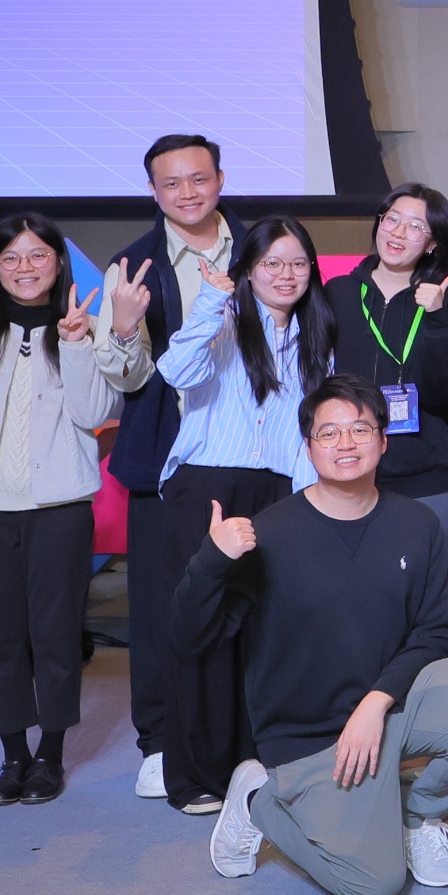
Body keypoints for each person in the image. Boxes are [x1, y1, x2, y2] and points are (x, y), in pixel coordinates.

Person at [192, 376, 448, 895]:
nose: (345, 443)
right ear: (308, 447)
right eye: (329, 433)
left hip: (386, 708)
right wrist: (211, 561)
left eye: (360, 430)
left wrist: (376, 702)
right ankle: (257, 800)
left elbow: (434, 632)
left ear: (383, 441)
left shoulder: (416, 524)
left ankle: (416, 818)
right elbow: (193, 637)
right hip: (311, 734)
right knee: (373, 885)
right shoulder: (270, 533)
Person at [0, 214, 148, 805]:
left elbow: (95, 413)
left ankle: (50, 753)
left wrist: (75, 345)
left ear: (58, 262)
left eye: (38, 255)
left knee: (55, 634)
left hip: (60, 507)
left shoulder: (85, 328)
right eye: (11, 257)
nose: (25, 267)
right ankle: (13, 755)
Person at [146, 215, 326, 809]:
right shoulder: (221, 320)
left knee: (262, 634)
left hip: (279, 492)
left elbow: (308, 434)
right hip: (208, 488)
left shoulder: (315, 337)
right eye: (271, 263)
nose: (285, 274)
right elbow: (174, 372)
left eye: (297, 263)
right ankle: (194, 775)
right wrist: (209, 303)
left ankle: (252, 766)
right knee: (201, 629)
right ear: (248, 269)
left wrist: (307, 507)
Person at [104, 134, 256, 803]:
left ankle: (246, 736)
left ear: (220, 179)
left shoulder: (262, 250)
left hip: (251, 453)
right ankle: (161, 740)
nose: (187, 192)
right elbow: (127, 379)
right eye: (172, 183)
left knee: (251, 595)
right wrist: (124, 329)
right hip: (168, 456)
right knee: (161, 604)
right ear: (154, 191)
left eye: (198, 178)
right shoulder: (131, 266)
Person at [335, 180, 448, 577]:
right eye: (392, 219)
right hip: (350, 474)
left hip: (422, 480)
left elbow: (443, 390)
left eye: (415, 226)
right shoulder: (339, 293)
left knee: (424, 592)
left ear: (432, 244)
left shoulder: (441, 301)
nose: (398, 232)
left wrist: (438, 318)